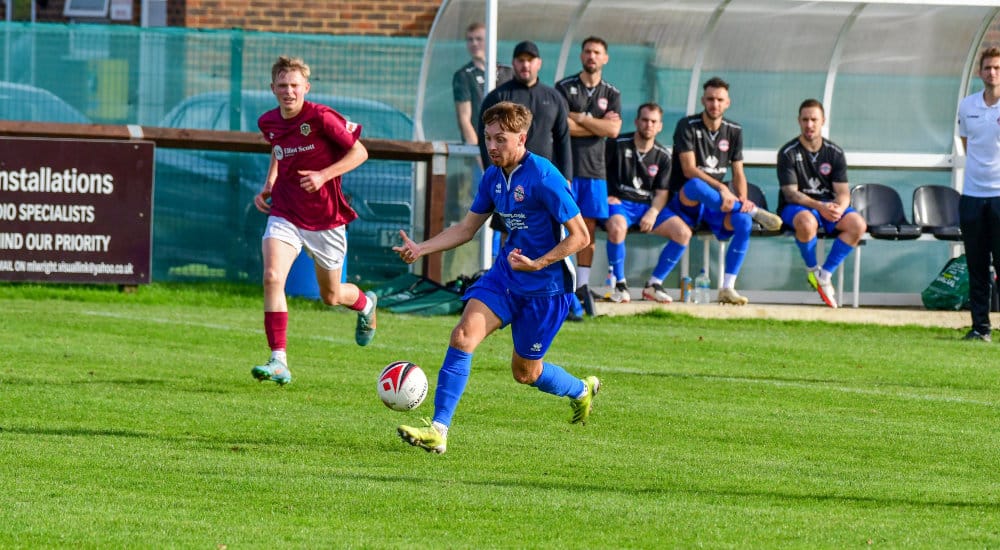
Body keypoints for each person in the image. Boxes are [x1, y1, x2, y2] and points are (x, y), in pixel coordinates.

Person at [392, 101, 601, 454]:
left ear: (522, 138)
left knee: (526, 373)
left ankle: (580, 389)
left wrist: (539, 263)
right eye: (488, 138)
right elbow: (466, 228)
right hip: (505, 277)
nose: (492, 146)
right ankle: (438, 430)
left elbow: (581, 236)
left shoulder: (544, 176)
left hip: (547, 290)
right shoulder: (493, 176)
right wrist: (421, 248)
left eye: (500, 139)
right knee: (462, 336)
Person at [250, 55, 378, 385]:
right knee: (272, 277)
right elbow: (279, 148)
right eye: (282, 85)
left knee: (331, 296)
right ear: (272, 88)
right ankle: (279, 360)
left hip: (326, 218)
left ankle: (366, 304)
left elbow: (360, 152)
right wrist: (269, 183)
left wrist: (323, 175)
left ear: (306, 87)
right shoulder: (268, 122)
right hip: (286, 212)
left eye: (294, 85)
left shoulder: (321, 117)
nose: (288, 91)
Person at [478, 40, 578, 318]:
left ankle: (569, 298)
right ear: (514, 63)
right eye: (520, 60)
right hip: (508, 182)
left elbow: (563, 139)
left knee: (558, 234)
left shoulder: (552, 97)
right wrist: (495, 173)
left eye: (530, 59)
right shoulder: (499, 96)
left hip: (542, 187)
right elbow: (483, 139)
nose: (525, 64)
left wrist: (567, 177)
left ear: (538, 63)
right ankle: (506, 286)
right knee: (509, 232)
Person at [665, 76, 783, 305]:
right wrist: (722, 188)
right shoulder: (687, 126)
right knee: (696, 185)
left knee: (743, 221)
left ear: (727, 103)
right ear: (702, 101)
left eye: (720, 100)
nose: (714, 104)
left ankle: (727, 287)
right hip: (687, 202)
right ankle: (753, 211)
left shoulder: (734, 130)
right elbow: (689, 170)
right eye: (710, 99)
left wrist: (743, 200)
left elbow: (738, 172)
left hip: (716, 204)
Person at [777, 99, 867, 309]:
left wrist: (839, 208)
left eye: (814, 120)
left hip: (828, 207)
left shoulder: (834, 152)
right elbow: (791, 193)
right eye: (805, 120)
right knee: (807, 222)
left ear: (823, 121)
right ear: (799, 121)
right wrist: (820, 207)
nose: (809, 125)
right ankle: (812, 270)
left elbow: (843, 192)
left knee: (858, 225)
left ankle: (824, 275)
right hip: (797, 208)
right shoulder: (788, 152)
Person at [555, 36, 622, 316]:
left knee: (588, 228)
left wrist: (581, 118)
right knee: (561, 226)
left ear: (605, 58)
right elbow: (562, 126)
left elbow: (613, 131)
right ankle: (564, 286)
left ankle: (582, 287)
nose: (591, 56)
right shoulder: (564, 87)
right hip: (566, 169)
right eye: (587, 51)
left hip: (595, 171)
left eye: (597, 52)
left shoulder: (612, 92)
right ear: (581, 56)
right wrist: (597, 124)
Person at [604, 103, 686, 304]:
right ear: (636, 122)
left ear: (660, 126)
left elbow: (662, 193)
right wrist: (605, 195)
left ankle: (654, 284)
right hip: (620, 203)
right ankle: (620, 284)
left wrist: (653, 212)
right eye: (645, 120)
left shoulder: (663, 155)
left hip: (646, 207)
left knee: (683, 233)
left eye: (654, 121)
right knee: (617, 227)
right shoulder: (617, 143)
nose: (649, 125)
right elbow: (598, 171)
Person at [957, 47, 1000, 342]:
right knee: (976, 264)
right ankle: (980, 328)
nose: (992, 73)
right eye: (988, 68)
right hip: (972, 197)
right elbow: (966, 143)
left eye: (997, 68)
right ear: (979, 72)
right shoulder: (967, 105)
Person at [452, 22, 513, 146]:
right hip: (481, 146)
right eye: (470, 40)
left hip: (508, 146)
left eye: (479, 39)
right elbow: (464, 119)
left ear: (490, 40)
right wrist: (477, 151)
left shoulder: (508, 72)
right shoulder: (464, 75)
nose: (474, 43)